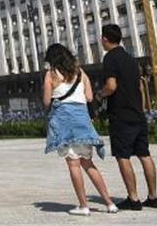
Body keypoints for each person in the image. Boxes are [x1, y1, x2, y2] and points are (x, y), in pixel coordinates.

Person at [43, 43, 117, 216]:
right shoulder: (81, 72)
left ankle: (83, 206)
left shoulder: (51, 74)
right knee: (88, 163)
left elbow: (47, 101)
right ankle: (109, 203)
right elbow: (90, 97)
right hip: (82, 121)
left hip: (63, 122)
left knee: (73, 164)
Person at [95, 24, 157, 211]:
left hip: (121, 114)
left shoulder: (110, 58)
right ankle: (153, 197)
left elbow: (111, 86)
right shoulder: (131, 58)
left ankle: (133, 198)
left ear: (105, 39)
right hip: (137, 113)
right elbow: (140, 87)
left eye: (102, 39)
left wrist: (100, 95)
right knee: (144, 154)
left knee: (123, 156)